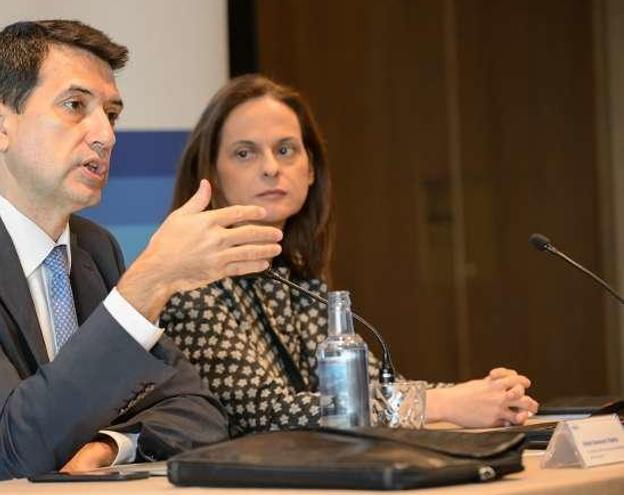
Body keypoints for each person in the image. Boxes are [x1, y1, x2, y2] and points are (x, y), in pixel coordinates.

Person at [0, 21, 284, 494]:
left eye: (111, 113)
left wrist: (109, 444)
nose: (105, 135)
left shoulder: (94, 249)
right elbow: (20, 440)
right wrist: (146, 285)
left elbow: (197, 409)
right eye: (75, 106)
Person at [160, 74, 539, 436]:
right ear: (209, 174)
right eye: (245, 153)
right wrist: (443, 403)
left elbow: (368, 386)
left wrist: (483, 394)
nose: (271, 168)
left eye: (285, 150)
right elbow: (266, 413)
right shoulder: (192, 283)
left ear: (311, 169)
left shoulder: (297, 276)